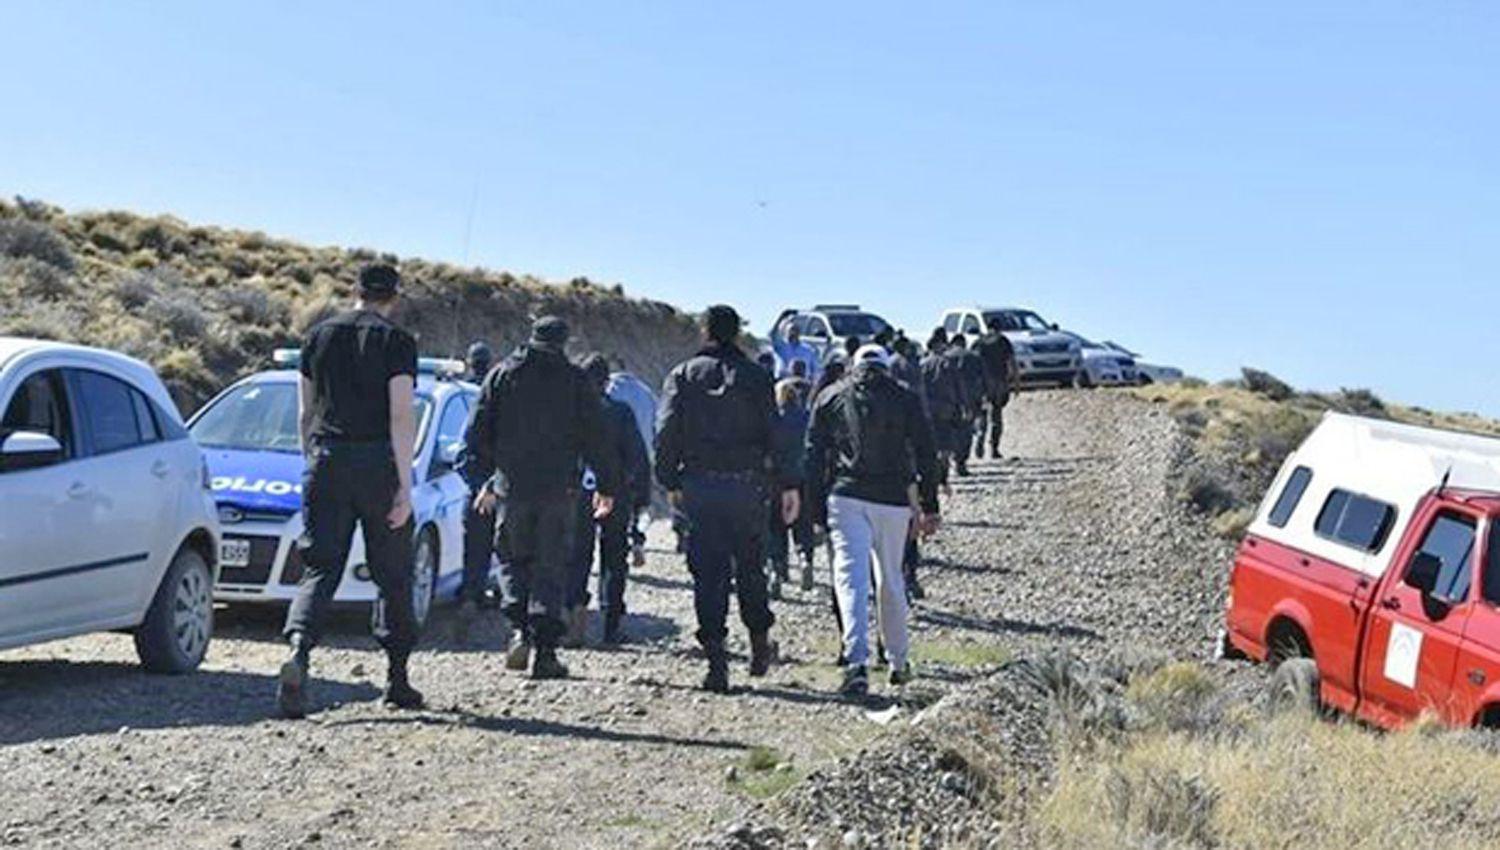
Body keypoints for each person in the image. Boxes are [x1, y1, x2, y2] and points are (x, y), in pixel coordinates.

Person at [278, 263, 424, 719]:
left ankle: (299, 652)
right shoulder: (397, 343)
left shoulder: (316, 338)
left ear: (355, 291)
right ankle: (397, 678)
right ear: (393, 297)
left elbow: (305, 413)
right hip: (377, 463)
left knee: (320, 566)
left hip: (326, 462)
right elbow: (401, 416)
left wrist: (312, 460)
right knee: (393, 573)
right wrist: (405, 484)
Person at [656, 305, 800, 693]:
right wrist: (788, 484)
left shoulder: (683, 375)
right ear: (737, 334)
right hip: (748, 487)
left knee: (708, 575)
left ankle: (717, 663)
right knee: (751, 567)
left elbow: (666, 431)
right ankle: (758, 642)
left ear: (705, 331)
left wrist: (670, 481)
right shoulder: (757, 377)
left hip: (700, 487)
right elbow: (777, 433)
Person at [467, 316, 619, 680]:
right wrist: (608, 485)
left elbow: (476, 433)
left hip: (512, 488)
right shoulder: (575, 380)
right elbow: (596, 436)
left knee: (512, 560)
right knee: (551, 566)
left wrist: (492, 474)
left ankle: (519, 630)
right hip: (557, 490)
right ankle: (546, 652)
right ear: (564, 343)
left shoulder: (502, 375)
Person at [807, 344, 941, 698]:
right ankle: (898, 661)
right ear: (885, 366)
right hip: (893, 500)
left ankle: (856, 662)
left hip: (846, 496)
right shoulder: (906, 398)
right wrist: (929, 505)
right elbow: (927, 451)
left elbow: (812, 454)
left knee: (849, 578)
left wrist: (813, 508)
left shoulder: (831, 396)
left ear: (854, 365)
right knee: (890, 579)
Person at [565, 354, 652, 646]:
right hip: (615, 493)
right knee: (614, 560)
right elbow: (637, 457)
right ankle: (611, 625)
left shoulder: (572, 413)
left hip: (578, 494)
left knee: (577, 557)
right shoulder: (620, 412)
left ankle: (574, 618)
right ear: (606, 383)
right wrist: (637, 494)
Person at [452, 339, 499, 634]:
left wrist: (477, 486)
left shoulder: (462, 394)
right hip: (506, 487)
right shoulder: (501, 398)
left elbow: (461, 456)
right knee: (508, 550)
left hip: (478, 490)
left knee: (476, 548)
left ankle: (471, 594)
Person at [606, 365, 658, 568]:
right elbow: (657, 425)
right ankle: (637, 540)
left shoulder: (610, 389)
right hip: (642, 457)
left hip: (615, 457)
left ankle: (612, 550)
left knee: (612, 508)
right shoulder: (646, 392)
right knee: (638, 505)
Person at [767, 376, 815, 597]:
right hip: (803, 479)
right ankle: (805, 559)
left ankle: (777, 571)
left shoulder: (772, 420)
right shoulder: (807, 418)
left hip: (775, 481)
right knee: (802, 525)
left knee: (775, 528)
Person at [921, 330, 965, 490]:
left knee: (931, 444)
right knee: (945, 444)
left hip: (927, 409)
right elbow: (957, 386)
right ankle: (943, 477)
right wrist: (962, 404)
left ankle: (933, 474)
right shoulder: (948, 363)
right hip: (946, 408)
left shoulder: (922, 364)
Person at [944, 335, 986, 477]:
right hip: (971, 399)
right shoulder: (974, 357)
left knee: (951, 431)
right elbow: (983, 378)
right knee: (966, 431)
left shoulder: (945, 357)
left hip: (949, 399)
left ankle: (951, 459)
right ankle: (961, 463)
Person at [973, 329, 1016, 459]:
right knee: (996, 416)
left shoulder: (978, 342)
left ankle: (980, 439)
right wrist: (1016, 382)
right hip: (999, 383)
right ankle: (994, 448)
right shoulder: (1003, 341)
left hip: (982, 384)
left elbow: (972, 363)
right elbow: (1012, 362)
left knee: (982, 414)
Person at [770, 315, 820, 383]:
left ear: (799, 332)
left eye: (795, 330)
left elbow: (815, 369)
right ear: (785, 332)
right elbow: (772, 335)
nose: (793, 333)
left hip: (803, 382)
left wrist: (813, 381)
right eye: (790, 330)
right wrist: (781, 318)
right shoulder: (780, 346)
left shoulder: (808, 350)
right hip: (783, 381)